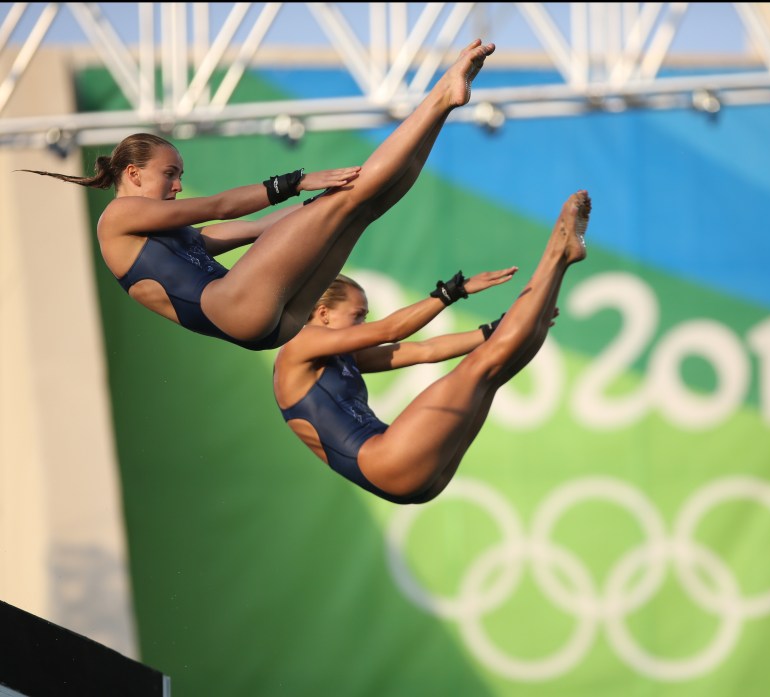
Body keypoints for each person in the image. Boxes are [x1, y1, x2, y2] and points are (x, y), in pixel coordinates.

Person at [20, 40, 496, 351]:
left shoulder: (171, 238)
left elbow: (252, 230)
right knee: (346, 200)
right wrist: (295, 182)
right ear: (133, 174)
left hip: (266, 326)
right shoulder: (118, 218)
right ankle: (439, 97)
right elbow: (218, 206)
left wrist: (308, 210)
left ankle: (443, 109)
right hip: (238, 306)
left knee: (361, 205)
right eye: (170, 174)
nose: (179, 185)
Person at [273, 190, 591, 504]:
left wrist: (493, 329)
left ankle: (563, 260)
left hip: (413, 477)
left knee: (497, 370)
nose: (362, 325)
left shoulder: (340, 356)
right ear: (324, 313)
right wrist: (455, 291)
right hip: (389, 461)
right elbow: (390, 329)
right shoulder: (299, 345)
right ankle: (556, 250)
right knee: (483, 365)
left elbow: (426, 350)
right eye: (357, 316)